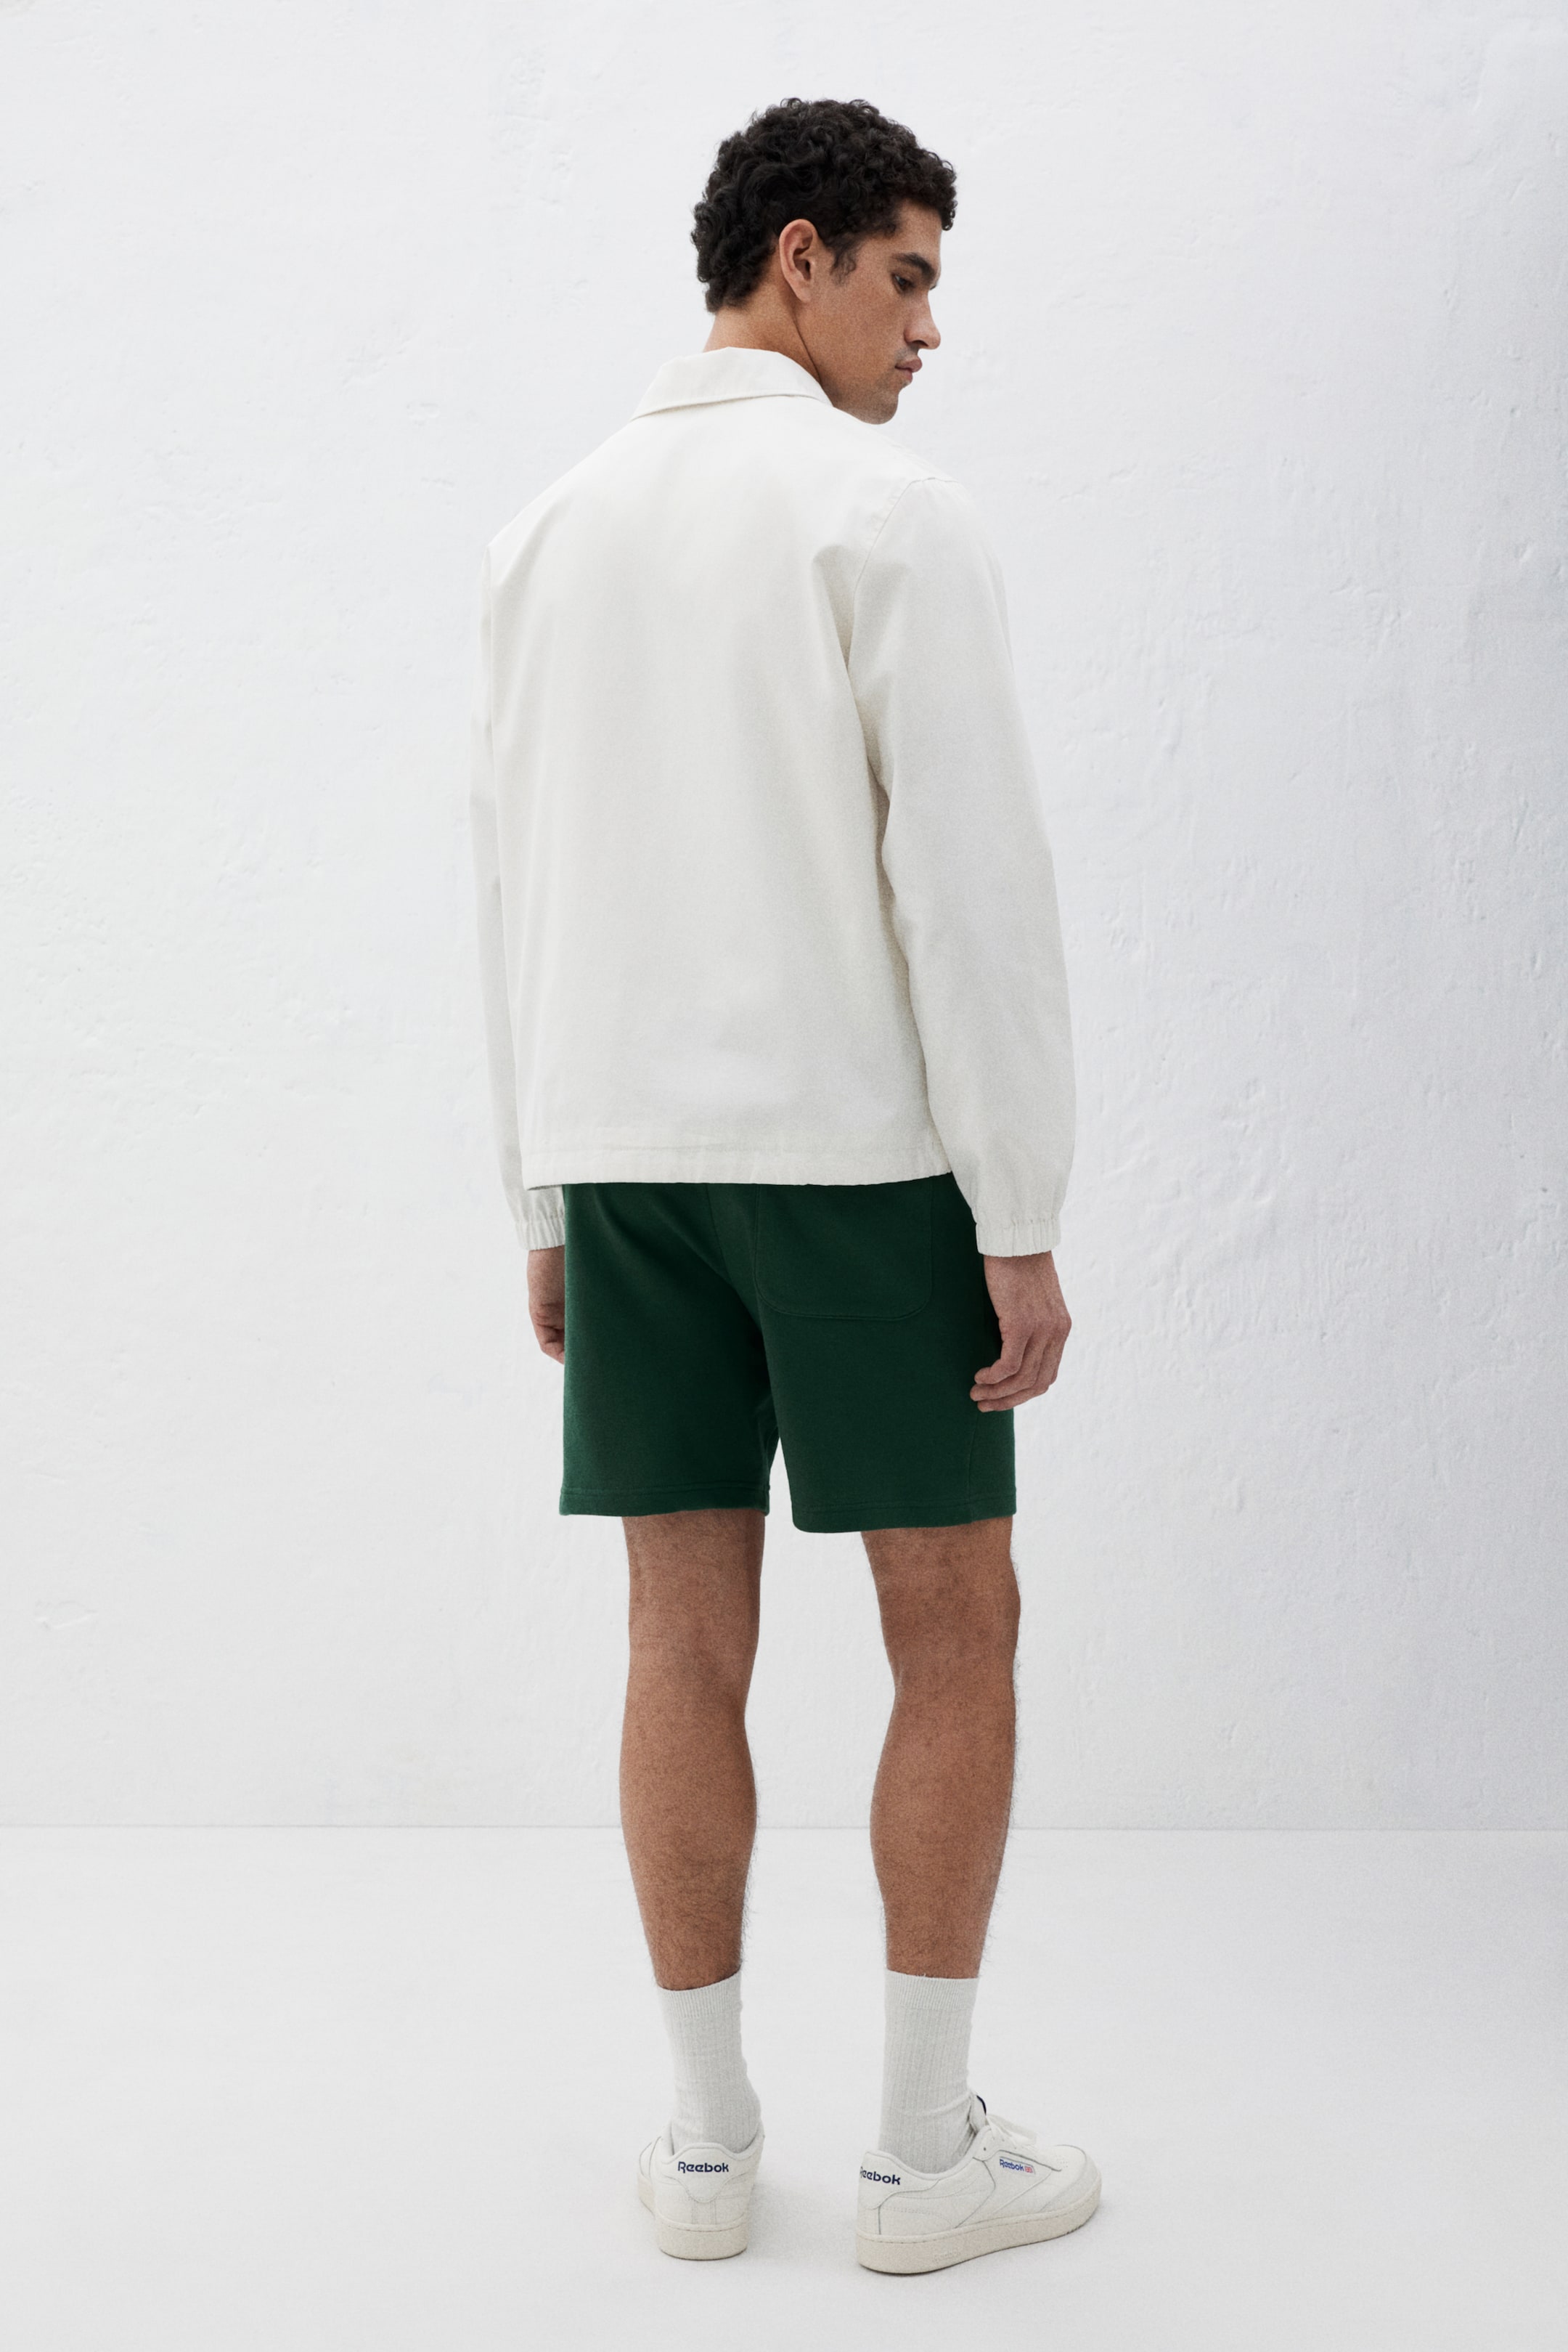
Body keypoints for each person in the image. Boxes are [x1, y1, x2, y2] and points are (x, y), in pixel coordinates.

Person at [469, 94, 1098, 2274]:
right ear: (801, 256)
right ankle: (923, 2163)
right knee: (957, 1625)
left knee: (678, 1635)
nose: (930, 329)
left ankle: (710, 2150)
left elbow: (507, 883)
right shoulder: (885, 512)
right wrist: (1018, 1211)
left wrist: (539, 1200)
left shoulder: (547, 530)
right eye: (906, 277)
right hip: (855, 1162)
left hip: (621, 1161)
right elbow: (973, 888)